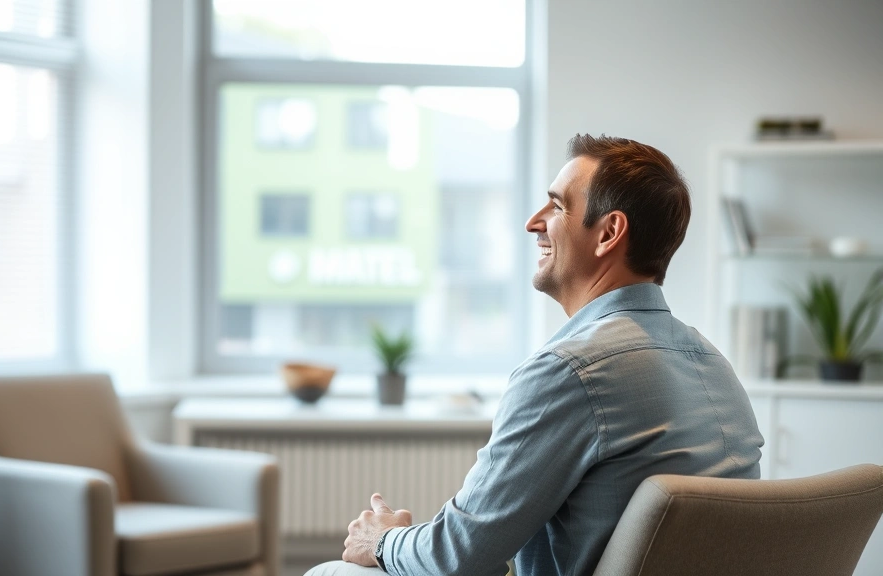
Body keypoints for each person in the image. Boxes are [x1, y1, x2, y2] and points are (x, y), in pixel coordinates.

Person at [305, 134, 764, 576]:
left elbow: (458, 558)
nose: (533, 222)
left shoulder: (570, 372)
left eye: (558, 205)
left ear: (609, 232)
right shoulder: (715, 366)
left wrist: (381, 541)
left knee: (333, 571)